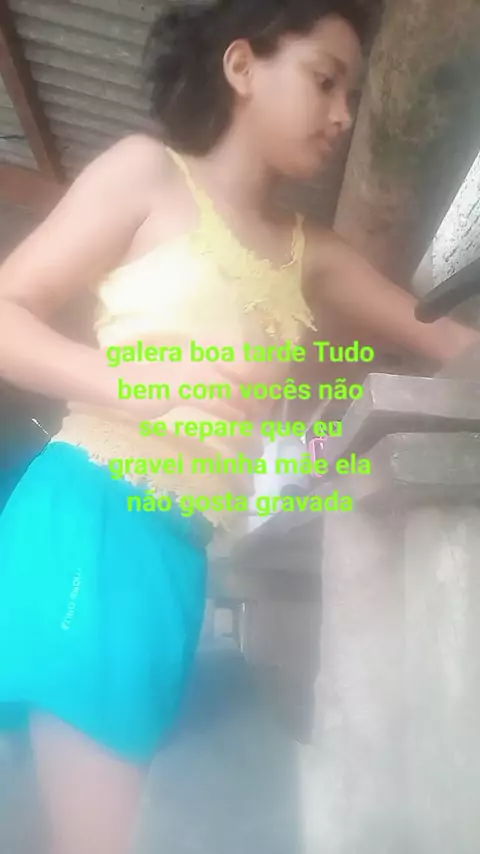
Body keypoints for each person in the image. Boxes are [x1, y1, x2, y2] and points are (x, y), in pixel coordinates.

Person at [0, 1, 477, 852]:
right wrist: (130, 383)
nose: (343, 114)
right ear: (242, 66)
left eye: (352, 95)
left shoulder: (311, 252)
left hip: (179, 552)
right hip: (95, 517)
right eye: (325, 80)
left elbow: (447, 339)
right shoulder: (147, 174)